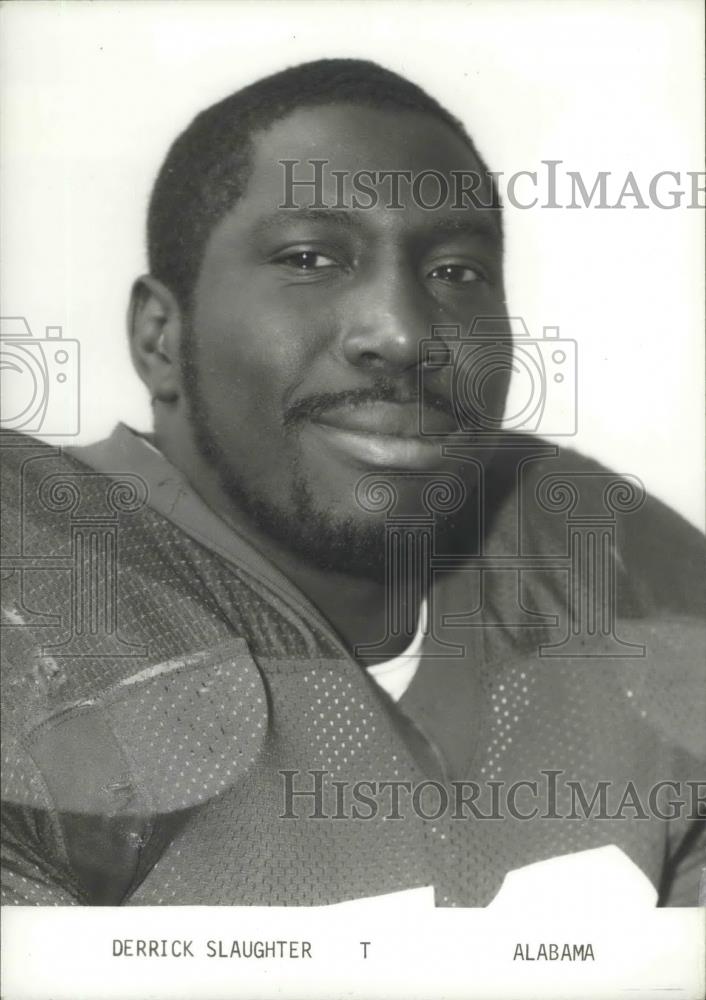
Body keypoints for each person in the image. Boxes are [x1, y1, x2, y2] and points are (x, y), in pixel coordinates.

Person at [1, 59, 703, 908]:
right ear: (159, 336)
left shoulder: (612, 559)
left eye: (455, 272)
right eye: (311, 257)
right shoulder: (39, 585)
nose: (404, 334)